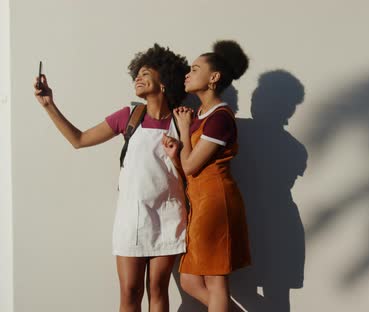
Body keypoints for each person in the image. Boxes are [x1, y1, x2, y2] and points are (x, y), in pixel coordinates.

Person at [33, 43, 189, 312]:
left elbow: (191, 170)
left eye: (145, 72)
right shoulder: (129, 116)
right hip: (131, 216)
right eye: (136, 74)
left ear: (164, 81)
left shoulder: (181, 121)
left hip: (168, 215)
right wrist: (49, 105)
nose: (137, 78)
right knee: (130, 291)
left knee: (158, 290)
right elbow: (78, 140)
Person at [171, 40, 252, 312]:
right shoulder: (200, 115)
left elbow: (191, 165)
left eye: (195, 69)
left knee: (216, 281)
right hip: (201, 204)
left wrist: (183, 131)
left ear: (214, 77)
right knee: (191, 280)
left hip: (217, 203)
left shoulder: (220, 117)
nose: (187, 74)